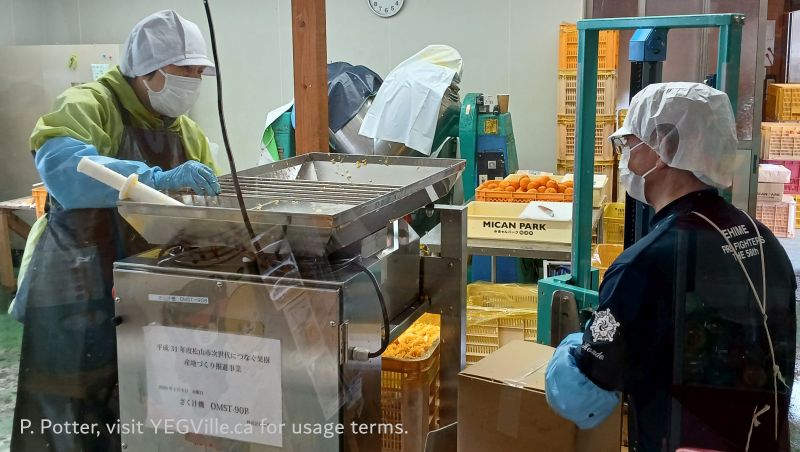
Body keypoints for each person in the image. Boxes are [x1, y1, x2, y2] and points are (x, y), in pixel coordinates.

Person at [545, 82, 796, 451]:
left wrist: (569, 351)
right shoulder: (758, 236)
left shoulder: (643, 264)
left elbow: (588, 396)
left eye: (630, 144)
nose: (626, 158)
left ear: (663, 147)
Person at [12, 10, 220, 451]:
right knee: (69, 410)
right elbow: (61, 166)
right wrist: (148, 180)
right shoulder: (90, 104)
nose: (194, 80)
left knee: (141, 403)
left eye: (200, 71)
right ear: (147, 72)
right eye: (185, 69)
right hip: (74, 283)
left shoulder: (186, 133)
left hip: (147, 289)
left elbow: (208, 208)